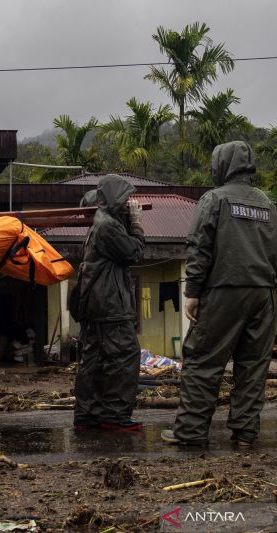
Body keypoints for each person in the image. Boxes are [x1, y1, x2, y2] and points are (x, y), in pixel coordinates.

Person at [162, 141, 277, 447]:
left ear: (222, 165)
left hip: (224, 290)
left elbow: (199, 246)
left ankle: (190, 432)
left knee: (203, 360)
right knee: (253, 365)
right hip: (263, 294)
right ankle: (245, 434)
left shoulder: (214, 199)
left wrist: (193, 291)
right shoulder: (267, 204)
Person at [71, 174, 145, 432]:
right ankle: (114, 415)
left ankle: (87, 415)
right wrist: (136, 224)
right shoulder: (108, 226)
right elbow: (133, 252)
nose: (129, 204)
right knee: (125, 357)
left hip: (95, 304)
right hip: (111, 306)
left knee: (94, 361)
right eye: (125, 199)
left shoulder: (98, 222)